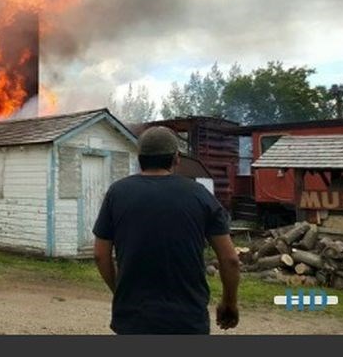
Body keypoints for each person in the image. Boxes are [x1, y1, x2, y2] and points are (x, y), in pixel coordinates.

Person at [92, 126, 240, 334]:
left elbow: (100, 254)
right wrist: (229, 302)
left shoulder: (117, 193)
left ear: (140, 158)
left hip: (133, 319)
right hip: (187, 320)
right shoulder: (200, 194)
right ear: (176, 158)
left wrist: (121, 292)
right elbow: (230, 259)